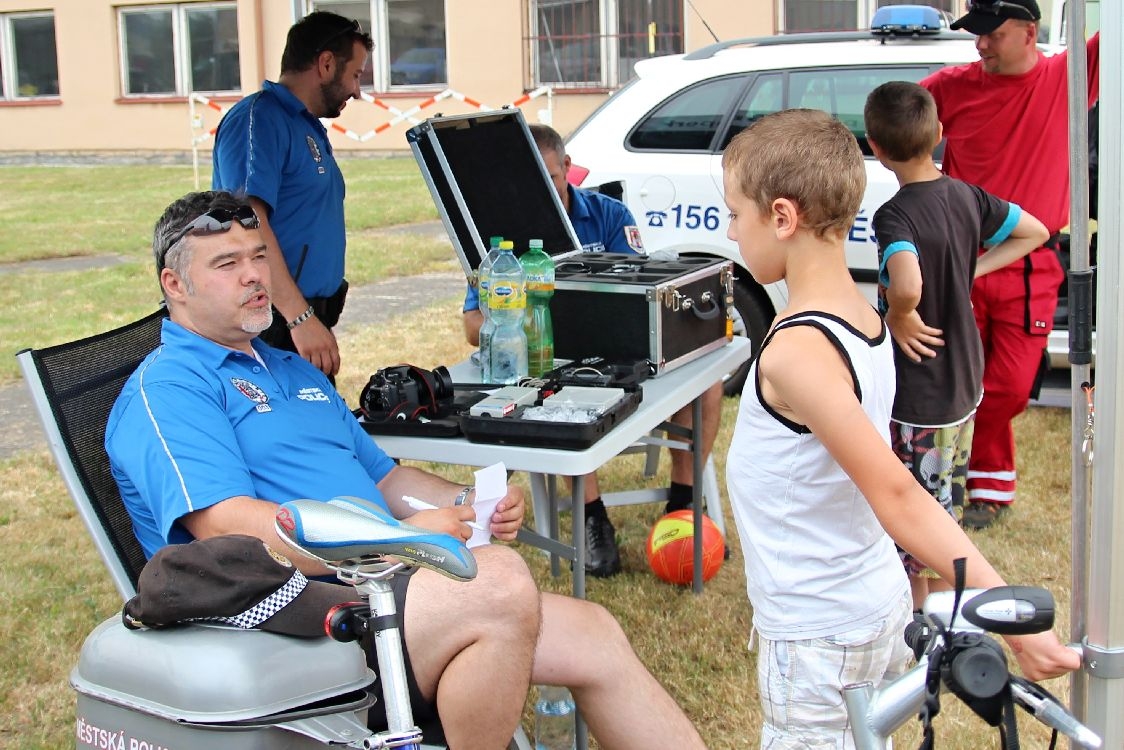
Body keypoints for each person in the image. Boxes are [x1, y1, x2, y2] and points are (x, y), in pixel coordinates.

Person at [104, 190, 707, 750]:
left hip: (381, 583)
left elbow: (386, 480)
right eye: (227, 263)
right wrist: (408, 543)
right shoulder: (170, 386)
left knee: (593, 633)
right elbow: (228, 529)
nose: (255, 275)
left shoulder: (287, 370)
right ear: (174, 284)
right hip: (289, 615)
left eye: (259, 256)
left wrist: (467, 500)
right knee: (498, 586)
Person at [721, 109, 1078, 748]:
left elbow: (898, 493)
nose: (730, 231)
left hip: (820, 630)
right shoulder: (866, 316)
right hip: (869, 601)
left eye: (735, 215)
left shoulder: (798, 351)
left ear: (781, 217)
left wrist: (1010, 615)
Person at [462, 123, 724, 578]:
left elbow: (645, 288)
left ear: (568, 168)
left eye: (553, 177)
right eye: (534, 182)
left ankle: (683, 505)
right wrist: (523, 321)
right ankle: (591, 516)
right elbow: (472, 324)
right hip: (556, 359)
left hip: (626, 353)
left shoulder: (609, 213)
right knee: (559, 395)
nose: (545, 190)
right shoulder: (506, 233)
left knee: (707, 381)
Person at [863, 81, 1049, 607]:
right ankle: (948, 601)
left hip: (922, 391)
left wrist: (901, 314)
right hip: (964, 383)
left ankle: (923, 613)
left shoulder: (895, 215)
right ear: (940, 134)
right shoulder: (969, 196)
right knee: (946, 497)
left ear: (875, 149)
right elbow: (1033, 230)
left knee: (917, 513)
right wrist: (972, 270)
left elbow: (907, 282)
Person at [920, 0, 1100, 529]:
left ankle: (959, 465)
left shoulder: (1070, 74)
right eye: (975, 34)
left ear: (1029, 31)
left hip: (1033, 262)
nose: (980, 45)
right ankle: (982, 491)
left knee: (1010, 386)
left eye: (991, 35)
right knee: (954, 375)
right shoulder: (947, 88)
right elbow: (891, 126)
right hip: (962, 258)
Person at [212, 11, 373, 381]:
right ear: (327, 64)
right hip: (273, 324)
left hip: (304, 320)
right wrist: (300, 317)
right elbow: (247, 223)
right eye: (356, 74)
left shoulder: (304, 124)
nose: (356, 90)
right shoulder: (259, 119)